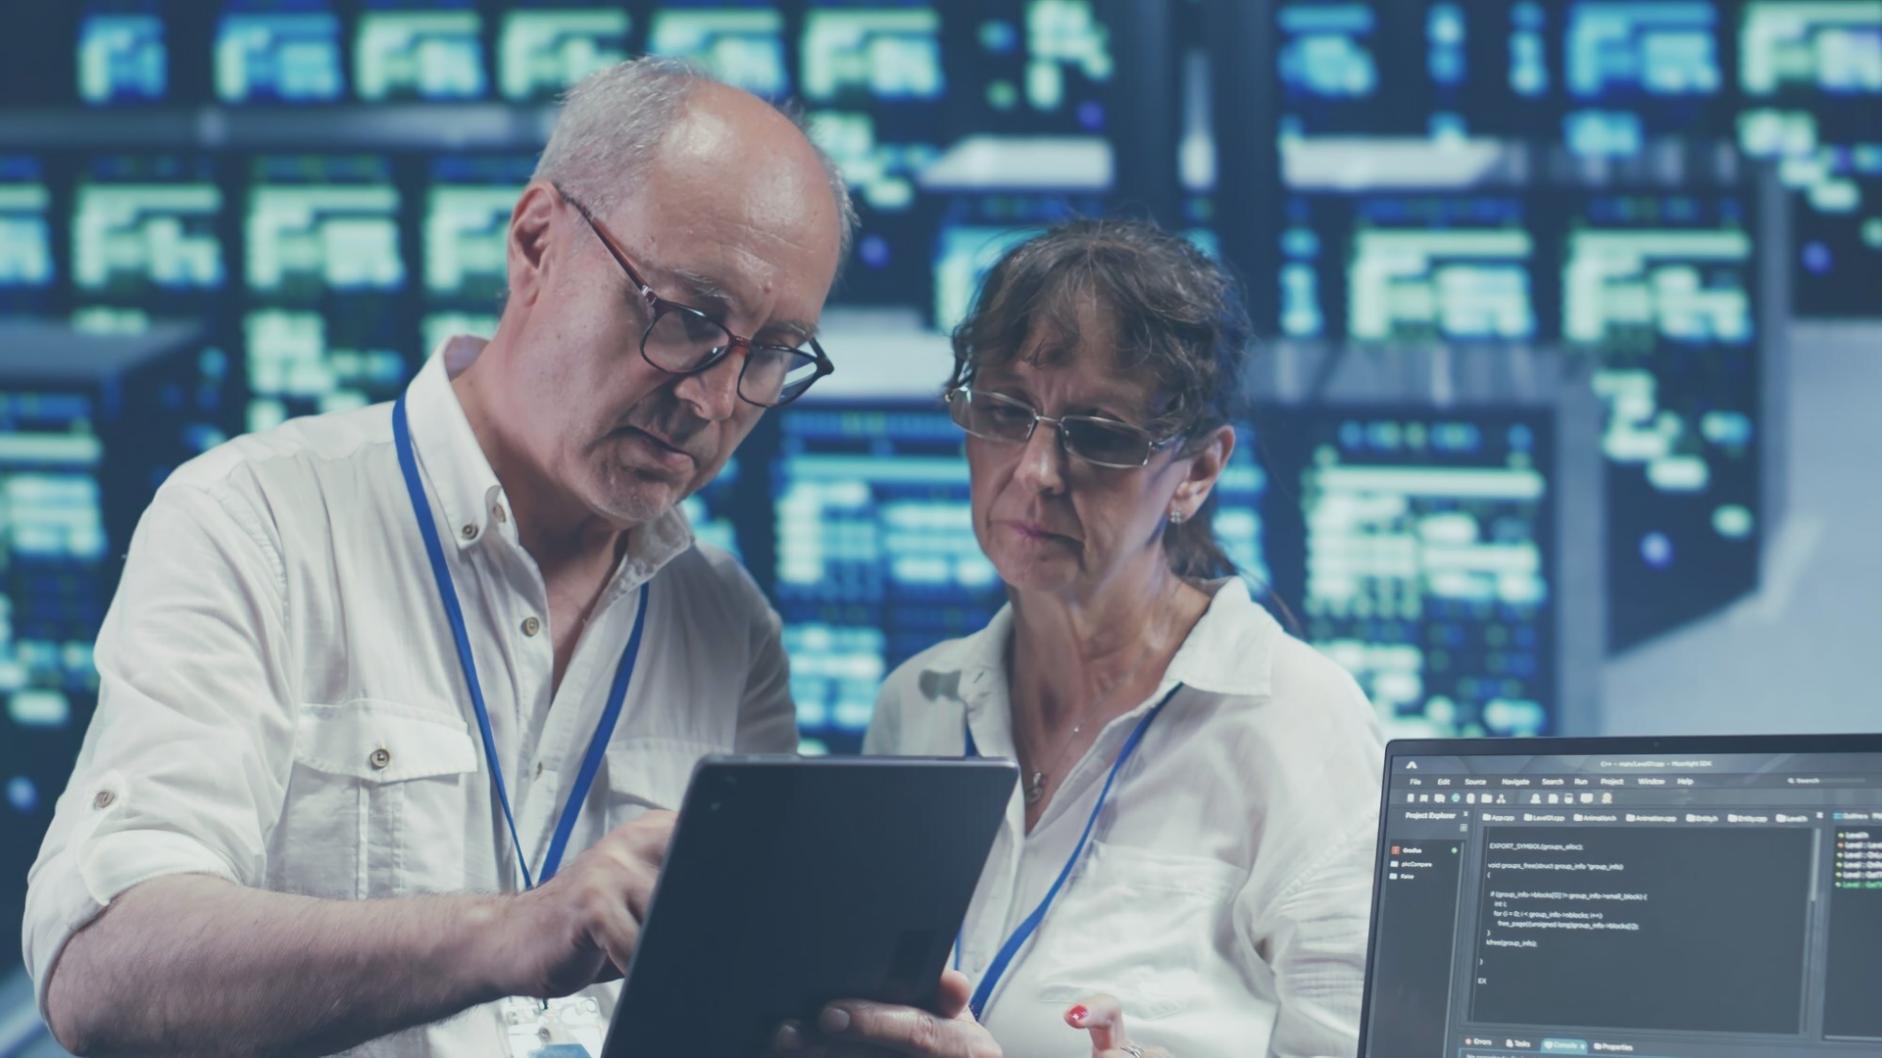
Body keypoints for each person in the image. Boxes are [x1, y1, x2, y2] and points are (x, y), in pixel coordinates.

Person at [26, 58, 992, 1058]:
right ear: (536, 242)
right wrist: (518, 928)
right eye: (690, 318)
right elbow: (102, 963)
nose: (713, 399)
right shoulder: (255, 522)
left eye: (770, 352)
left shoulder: (728, 626)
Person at [860, 219, 1387, 1057]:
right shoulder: (916, 704)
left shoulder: (1297, 720)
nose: (1035, 471)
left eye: (1098, 436)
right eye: (1003, 411)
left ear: (1200, 472)